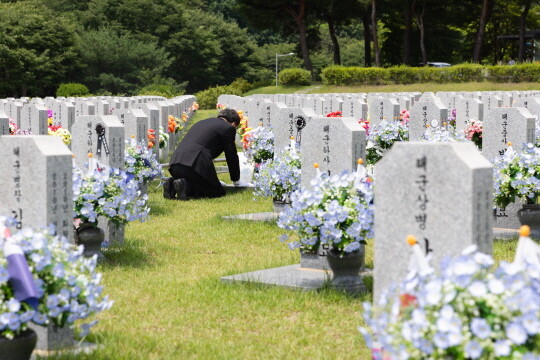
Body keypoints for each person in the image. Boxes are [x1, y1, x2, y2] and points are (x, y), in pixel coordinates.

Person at [164, 108, 241, 200]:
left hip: (175, 163)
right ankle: (185, 186)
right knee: (216, 192)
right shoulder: (228, 128)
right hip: (194, 164)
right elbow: (231, 155)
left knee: (196, 182)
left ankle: (173, 184)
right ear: (233, 123)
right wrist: (235, 178)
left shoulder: (202, 122)